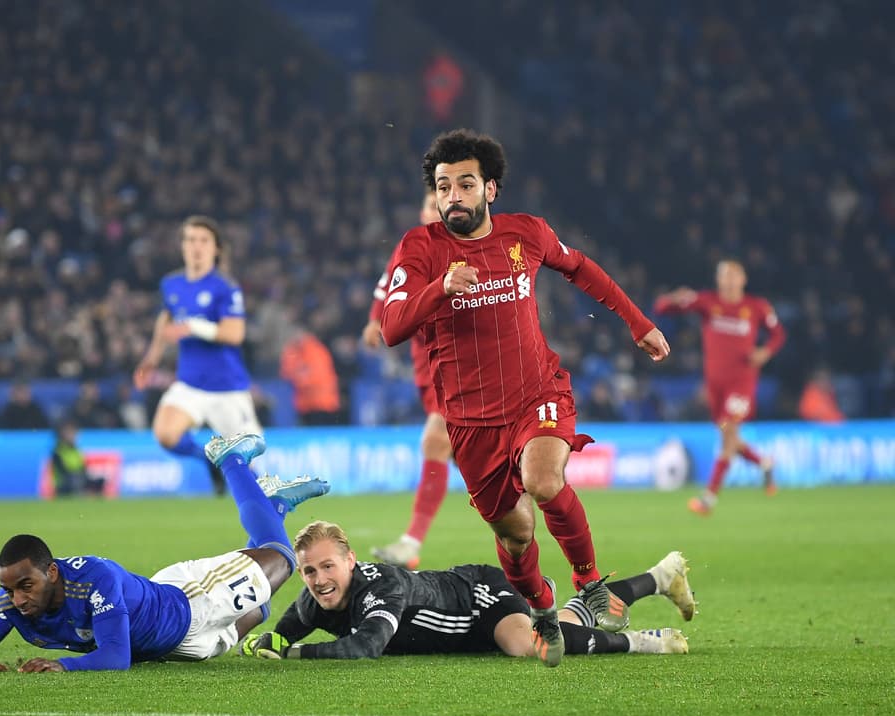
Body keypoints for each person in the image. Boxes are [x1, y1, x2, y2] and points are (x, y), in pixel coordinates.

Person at [379, 129, 672, 666]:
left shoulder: (527, 234)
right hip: (469, 421)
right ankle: (540, 602)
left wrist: (638, 323)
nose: (453, 198)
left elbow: (581, 268)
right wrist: (439, 288)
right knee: (515, 535)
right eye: (443, 187)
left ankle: (589, 581)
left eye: (465, 185)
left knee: (543, 479)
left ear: (490, 189)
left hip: (537, 393)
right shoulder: (419, 249)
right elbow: (391, 327)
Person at [0, 434, 328, 672]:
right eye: (10, 590)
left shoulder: (93, 579)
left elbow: (116, 657)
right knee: (258, 609)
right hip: (175, 648)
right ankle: (274, 506)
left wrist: (64, 666)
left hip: (192, 601)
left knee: (281, 557)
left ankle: (230, 460)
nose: (17, 599)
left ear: (51, 572)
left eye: (25, 586)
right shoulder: (10, 599)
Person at [242, 521, 693, 663]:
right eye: (309, 571)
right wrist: (269, 643)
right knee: (570, 621)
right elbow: (285, 630)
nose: (319, 579)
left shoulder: (381, 586)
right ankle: (660, 577)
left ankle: (641, 642)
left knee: (523, 645)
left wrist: (295, 655)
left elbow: (368, 645)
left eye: (327, 566)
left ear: (351, 560)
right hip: (465, 632)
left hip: (476, 595)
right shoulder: (316, 596)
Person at [133, 216, 262, 484]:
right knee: (166, 435)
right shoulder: (172, 284)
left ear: (215, 248)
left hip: (226, 389)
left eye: (204, 240)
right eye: (190, 240)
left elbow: (235, 334)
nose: (196, 246)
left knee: (250, 474)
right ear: (182, 246)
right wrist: (151, 359)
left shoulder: (225, 287)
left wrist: (194, 326)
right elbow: (166, 318)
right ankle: (210, 460)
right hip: (190, 384)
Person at [655, 259, 785, 515]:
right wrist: (674, 297)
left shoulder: (756, 307)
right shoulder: (707, 303)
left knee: (728, 435)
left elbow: (778, 334)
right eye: (724, 275)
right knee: (729, 434)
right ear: (718, 280)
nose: (729, 280)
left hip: (742, 383)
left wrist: (765, 352)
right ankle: (764, 462)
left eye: (734, 275)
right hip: (715, 385)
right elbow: (661, 307)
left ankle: (708, 498)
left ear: (743, 279)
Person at [363, 190, 451, 569]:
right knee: (499, 478)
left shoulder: (466, 248)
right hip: (425, 364)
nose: (436, 211)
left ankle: (410, 542)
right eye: (431, 204)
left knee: (435, 440)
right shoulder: (411, 248)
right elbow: (388, 284)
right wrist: (373, 317)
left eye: (443, 205)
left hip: (459, 362)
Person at [280, 325, 341, 426]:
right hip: (306, 404)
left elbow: (315, 377)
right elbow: (285, 373)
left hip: (322, 402)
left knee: (321, 436)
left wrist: (298, 377)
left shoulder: (316, 351)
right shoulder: (293, 350)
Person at [49, 420, 106, 497]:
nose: (73, 435)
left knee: (100, 481)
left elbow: (83, 468)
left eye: (74, 433)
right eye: (70, 433)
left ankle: (87, 493)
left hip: (79, 479)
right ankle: (84, 494)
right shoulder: (57, 451)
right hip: (65, 483)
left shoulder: (76, 450)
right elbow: (63, 472)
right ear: (62, 434)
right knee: (73, 480)